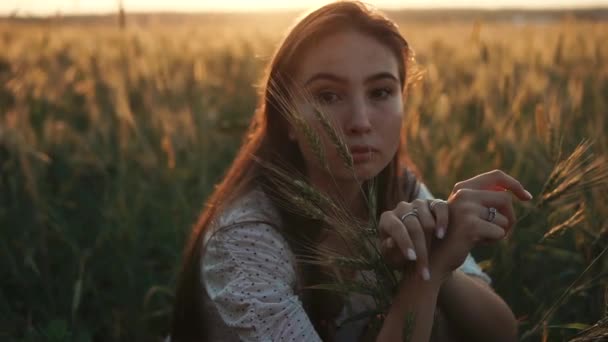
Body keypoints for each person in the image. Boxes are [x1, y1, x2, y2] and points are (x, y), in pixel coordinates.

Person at [170, 1, 532, 341]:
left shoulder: (398, 188)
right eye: (328, 96)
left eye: (380, 92)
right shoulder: (245, 239)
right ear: (286, 119)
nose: (360, 122)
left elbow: (500, 333)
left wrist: (440, 260)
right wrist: (425, 276)